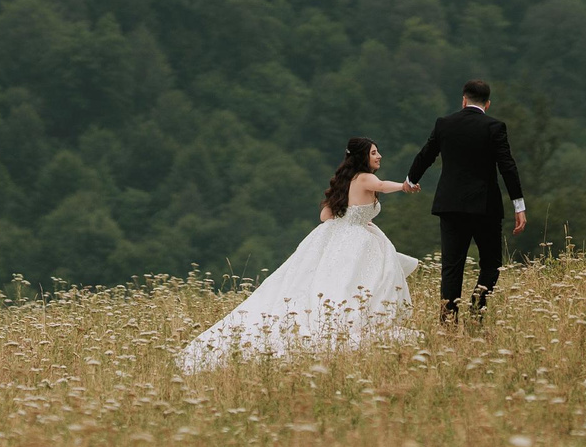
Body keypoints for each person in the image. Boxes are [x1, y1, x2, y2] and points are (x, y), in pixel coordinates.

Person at [176, 137, 422, 372]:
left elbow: (325, 216)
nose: (379, 156)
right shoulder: (366, 178)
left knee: (333, 281)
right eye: (374, 153)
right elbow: (381, 186)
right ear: (362, 157)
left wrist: (352, 216)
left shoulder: (344, 180)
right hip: (357, 239)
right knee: (360, 281)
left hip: (340, 234)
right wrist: (403, 186)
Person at [403, 78, 526, 319]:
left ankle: (448, 322)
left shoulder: (444, 124)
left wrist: (410, 179)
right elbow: (507, 167)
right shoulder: (494, 127)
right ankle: (476, 311)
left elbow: (426, 154)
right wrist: (518, 205)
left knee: (451, 267)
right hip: (485, 207)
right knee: (491, 264)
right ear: (487, 104)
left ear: (463, 100)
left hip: (450, 206)